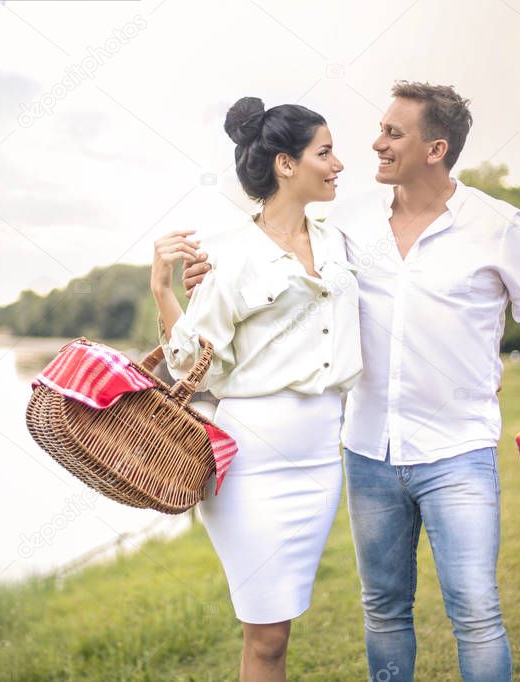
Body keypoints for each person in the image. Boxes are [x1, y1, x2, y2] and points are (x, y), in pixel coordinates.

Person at [183, 81, 520, 682]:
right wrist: (206, 271)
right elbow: (279, 250)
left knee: (476, 611)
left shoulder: (497, 225)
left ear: (435, 148)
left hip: (458, 450)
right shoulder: (348, 224)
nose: (376, 143)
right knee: (385, 612)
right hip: (367, 450)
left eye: (393, 133)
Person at [149, 96, 360, 682]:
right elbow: (196, 363)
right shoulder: (229, 254)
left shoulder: (340, 243)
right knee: (264, 637)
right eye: (325, 152)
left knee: (282, 629)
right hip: (251, 469)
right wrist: (164, 290)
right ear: (286, 165)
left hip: (321, 460)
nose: (339, 163)